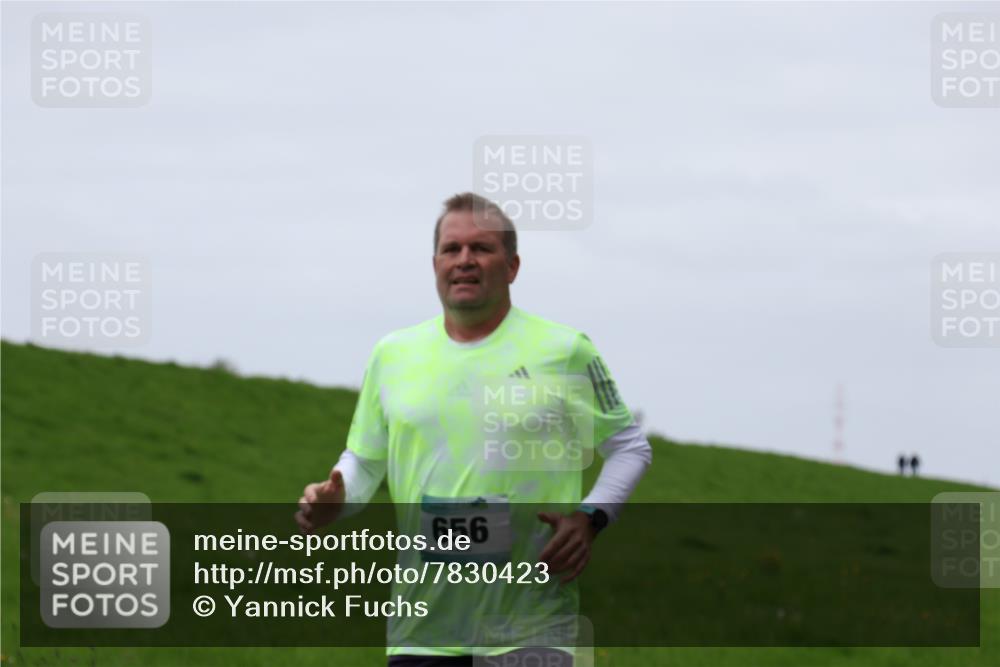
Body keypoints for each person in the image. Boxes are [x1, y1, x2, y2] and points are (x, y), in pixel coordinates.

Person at [296, 192, 652, 666]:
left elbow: (629, 448)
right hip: (422, 631)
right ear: (435, 263)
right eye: (452, 249)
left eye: (481, 248)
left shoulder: (564, 350)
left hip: (530, 629)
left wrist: (591, 518)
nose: (464, 260)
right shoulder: (393, 354)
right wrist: (334, 500)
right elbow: (364, 460)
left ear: (512, 266)